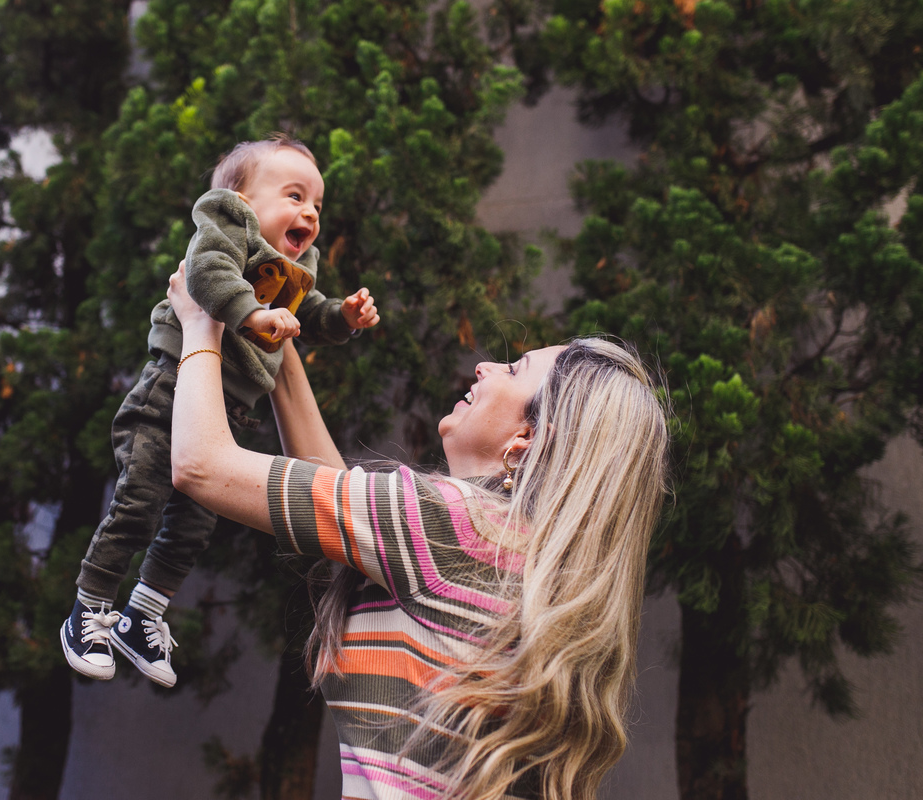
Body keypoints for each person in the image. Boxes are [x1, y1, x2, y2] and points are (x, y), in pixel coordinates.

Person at [166, 263, 670, 800]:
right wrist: (279, 334)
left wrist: (202, 320)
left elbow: (200, 464)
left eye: (514, 369)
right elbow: (342, 502)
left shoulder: (448, 522)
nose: (484, 367)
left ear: (526, 438)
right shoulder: (527, 561)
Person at [61, 135, 380, 687]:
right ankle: (89, 606)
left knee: (193, 525)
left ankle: (143, 616)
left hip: (228, 413)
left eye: (317, 205)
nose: (309, 212)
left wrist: (343, 319)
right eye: (294, 195)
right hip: (168, 393)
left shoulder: (296, 267)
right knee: (140, 500)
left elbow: (312, 315)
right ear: (242, 199)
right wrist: (254, 318)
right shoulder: (226, 226)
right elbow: (209, 276)